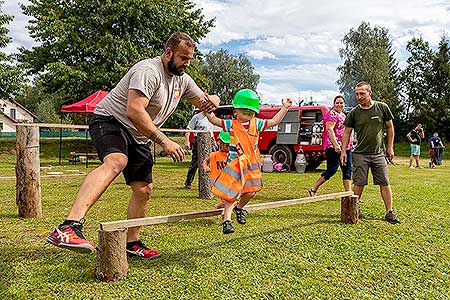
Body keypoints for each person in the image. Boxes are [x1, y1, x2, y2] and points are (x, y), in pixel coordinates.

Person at [46, 32, 220, 258]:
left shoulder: (182, 80)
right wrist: (164, 141)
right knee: (117, 160)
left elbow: (204, 102)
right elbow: (135, 111)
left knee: (143, 189)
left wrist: (213, 100)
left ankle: (132, 243)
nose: (186, 64)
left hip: (139, 134)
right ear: (168, 53)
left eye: (189, 59)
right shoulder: (148, 71)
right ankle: (68, 226)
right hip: (111, 120)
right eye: (182, 58)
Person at [205, 89, 292, 234]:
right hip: (235, 165)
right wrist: (206, 110)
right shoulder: (231, 124)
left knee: (251, 192)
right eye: (244, 112)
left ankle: (239, 209)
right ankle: (227, 221)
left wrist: (285, 108)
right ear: (235, 111)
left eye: (251, 113)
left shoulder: (257, 124)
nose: (247, 116)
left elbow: (274, 122)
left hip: (251, 165)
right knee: (230, 194)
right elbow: (214, 120)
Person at [340, 81, 400, 224]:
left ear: (370, 93)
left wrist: (390, 147)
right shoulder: (354, 112)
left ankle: (389, 212)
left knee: (384, 182)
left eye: (362, 93)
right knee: (359, 183)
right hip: (360, 154)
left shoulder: (382, 107)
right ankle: (355, 209)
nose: (359, 97)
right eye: (357, 94)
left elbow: (390, 128)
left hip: (379, 153)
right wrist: (343, 151)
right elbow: (346, 132)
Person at [309, 95, 353, 197]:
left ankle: (348, 194)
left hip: (345, 147)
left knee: (347, 169)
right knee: (332, 169)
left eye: (341, 103)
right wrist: (336, 145)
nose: (339, 104)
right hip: (333, 147)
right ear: (333, 104)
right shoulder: (332, 114)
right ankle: (313, 188)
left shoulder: (343, 115)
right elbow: (330, 129)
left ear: (344, 104)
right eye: (337, 102)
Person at [184, 111, 216, 189]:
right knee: (195, 163)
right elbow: (188, 129)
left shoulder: (212, 116)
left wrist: (214, 141)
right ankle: (188, 182)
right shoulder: (197, 117)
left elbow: (211, 130)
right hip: (199, 140)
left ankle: (212, 183)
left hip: (210, 140)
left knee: (213, 161)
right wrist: (187, 141)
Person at [201, 131, 230, 209]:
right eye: (227, 145)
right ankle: (219, 208)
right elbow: (205, 161)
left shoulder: (232, 156)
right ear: (220, 143)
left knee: (229, 200)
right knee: (226, 201)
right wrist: (205, 167)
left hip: (228, 181)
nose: (229, 147)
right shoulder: (215, 155)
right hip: (217, 182)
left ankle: (220, 209)